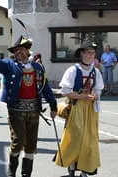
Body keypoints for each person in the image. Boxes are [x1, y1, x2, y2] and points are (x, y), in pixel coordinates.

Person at [0, 36, 57, 177]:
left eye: (21, 49)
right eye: (16, 50)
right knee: (18, 140)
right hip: (16, 109)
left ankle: (26, 173)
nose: (18, 52)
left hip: (34, 110)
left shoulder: (38, 67)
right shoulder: (9, 65)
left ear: (28, 51)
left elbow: (45, 88)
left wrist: (53, 105)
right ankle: (11, 171)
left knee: (31, 144)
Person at [55, 41, 104, 177]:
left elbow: (98, 90)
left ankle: (84, 171)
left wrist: (94, 96)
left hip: (90, 110)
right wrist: (83, 96)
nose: (90, 55)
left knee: (89, 141)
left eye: (92, 53)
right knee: (74, 139)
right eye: (88, 52)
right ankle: (71, 170)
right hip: (76, 107)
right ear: (81, 53)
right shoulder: (73, 70)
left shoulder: (96, 71)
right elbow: (65, 91)